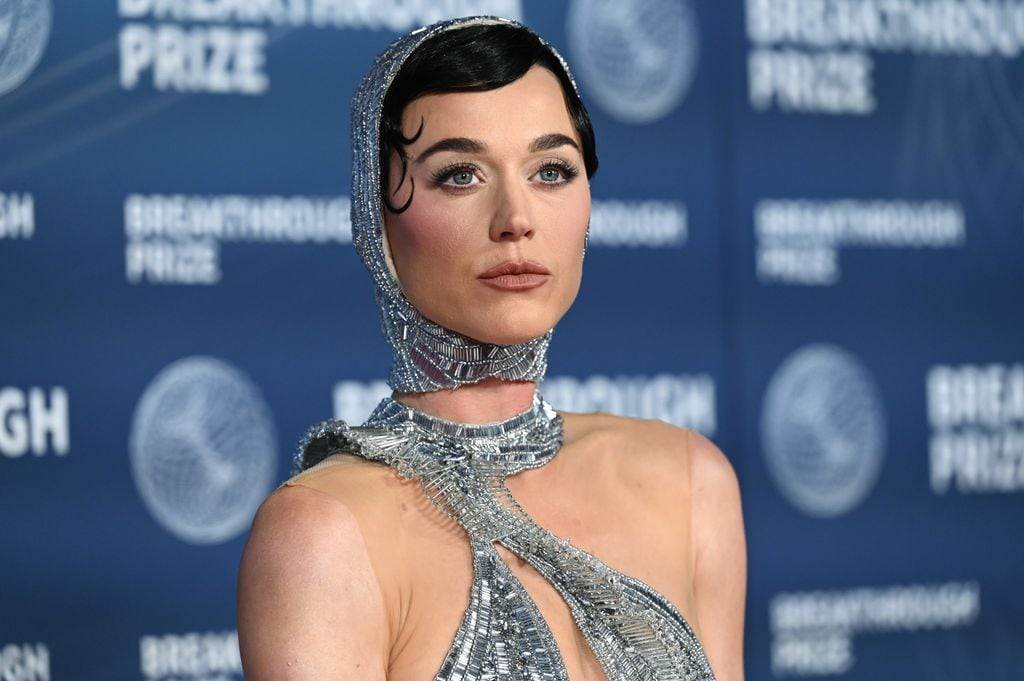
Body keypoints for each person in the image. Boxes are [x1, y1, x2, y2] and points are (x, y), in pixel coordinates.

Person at [237, 15, 746, 681]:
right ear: (375, 215)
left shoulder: (691, 482)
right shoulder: (323, 532)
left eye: (551, 171)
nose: (516, 219)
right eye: (460, 175)